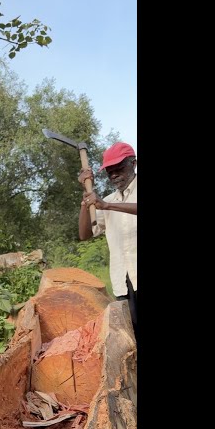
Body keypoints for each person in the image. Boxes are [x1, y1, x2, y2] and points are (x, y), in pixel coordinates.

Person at [78, 142, 138, 335]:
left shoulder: (108, 204)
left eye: (118, 168)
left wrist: (107, 206)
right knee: (131, 338)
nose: (113, 175)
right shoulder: (109, 200)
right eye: (109, 171)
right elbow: (85, 234)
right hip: (123, 283)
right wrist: (86, 199)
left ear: (133, 163)